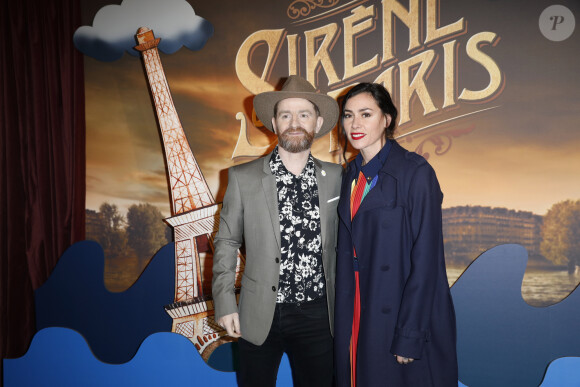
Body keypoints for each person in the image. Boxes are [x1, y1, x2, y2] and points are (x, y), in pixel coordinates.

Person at [212, 75, 342, 387]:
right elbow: (227, 242)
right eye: (286, 115)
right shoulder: (242, 177)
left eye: (304, 115)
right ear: (274, 122)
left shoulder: (339, 177)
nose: (294, 123)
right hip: (258, 313)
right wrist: (225, 301)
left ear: (317, 122)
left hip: (320, 316)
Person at [334, 83, 458, 387]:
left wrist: (410, 335)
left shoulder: (416, 172)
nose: (355, 124)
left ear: (387, 119)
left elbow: (427, 260)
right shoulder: (350, 174)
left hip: (398, 309)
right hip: (356, 307)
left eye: (366, 114)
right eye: (348, 116)